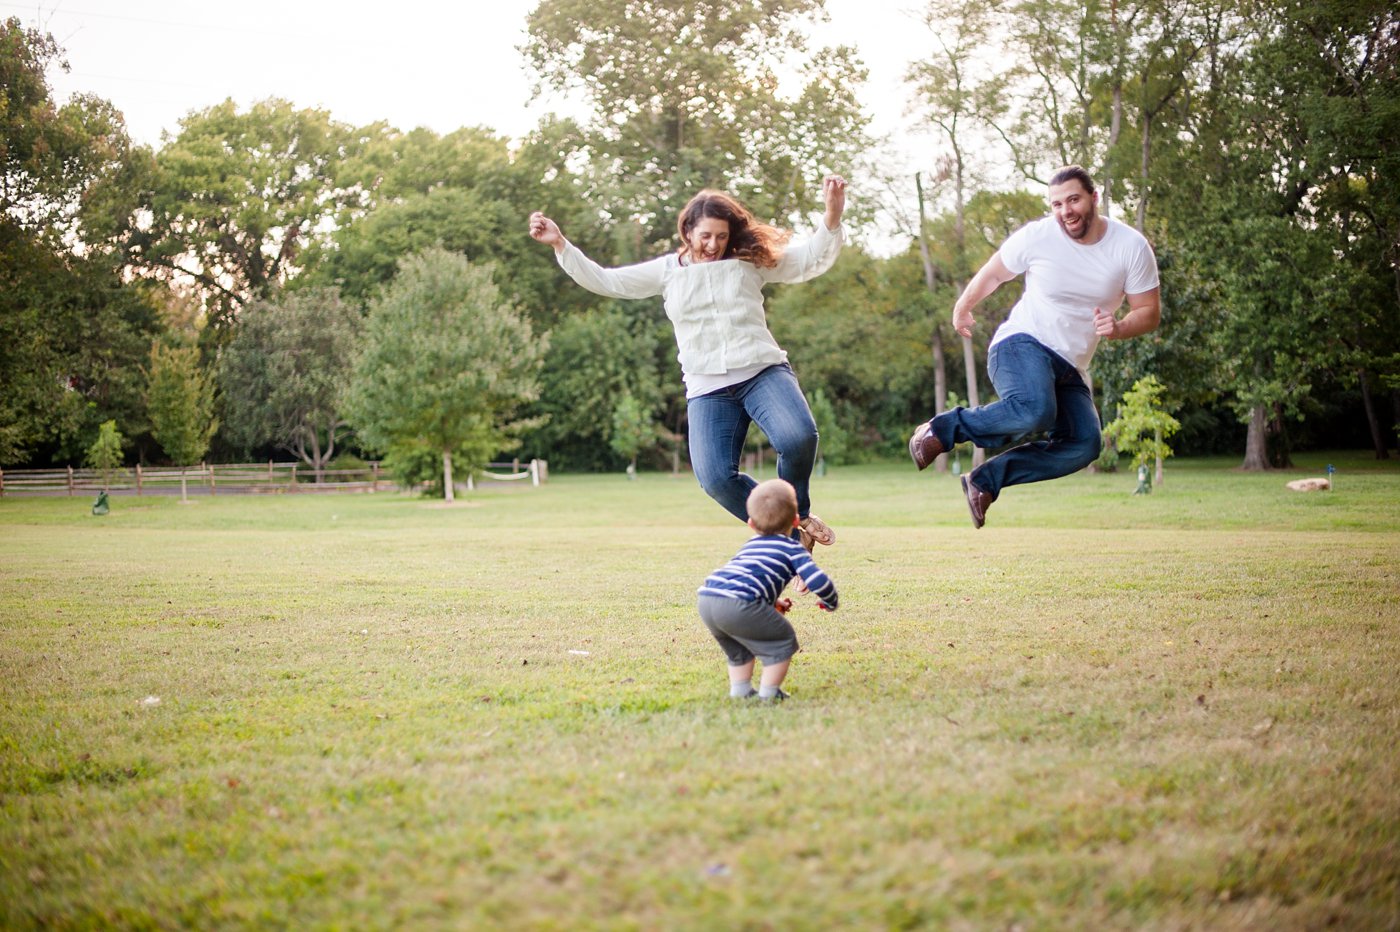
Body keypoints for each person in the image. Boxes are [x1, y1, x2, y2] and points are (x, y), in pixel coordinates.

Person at [528, 176, 848, 550]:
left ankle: (801, 510)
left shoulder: (748, 262)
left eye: (722, 236)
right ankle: (792, 533)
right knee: (715, 478)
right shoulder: (667, 271)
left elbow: (808, 260)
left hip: (761, 371)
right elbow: (607, 281)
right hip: (708, 387)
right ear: (688, 231)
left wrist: (832, 215)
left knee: (798, 437)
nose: (713, 245)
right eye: (705, 236)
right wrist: (561, 244)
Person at [908, 165, 1161, 528]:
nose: (1065, 211)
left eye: (1073, 199)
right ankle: (941, 430)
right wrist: (963, 305)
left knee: (1084, 444)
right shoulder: (1039, 236)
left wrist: (1119, 327)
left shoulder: (1130, 246)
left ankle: (985, 481)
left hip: (1071, 365)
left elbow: (1148, 311)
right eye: (1056, 204)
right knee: (1035, 410)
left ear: (1094, 198)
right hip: (1021, 343)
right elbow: (995, 272)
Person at [696, 479, 838, 701]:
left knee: (739, 648)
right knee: (783, 642)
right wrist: (830, 600)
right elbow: (818, 580)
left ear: (751, 523)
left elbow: (749, 579)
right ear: (795, 520)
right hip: (739, 603)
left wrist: (771, 603)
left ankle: (741, 691)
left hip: (708, 598)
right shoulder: (792, 548)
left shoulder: (751, 544)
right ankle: (770, 694)